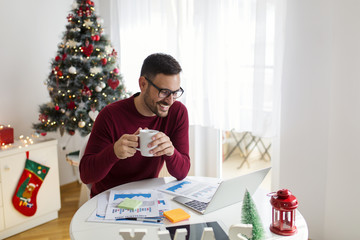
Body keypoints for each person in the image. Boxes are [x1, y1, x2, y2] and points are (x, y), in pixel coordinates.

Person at [79, 53, 191, 197]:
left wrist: (171, 152)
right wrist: (114, 152)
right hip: (108, 198)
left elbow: (182, 173)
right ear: (143, 84)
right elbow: (86, 176)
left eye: (175, 93)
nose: (170, 101)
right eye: (164, 92)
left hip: (146, 197)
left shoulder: (177, 112)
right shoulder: (110, 115)